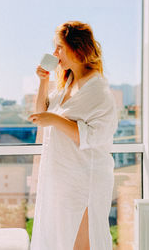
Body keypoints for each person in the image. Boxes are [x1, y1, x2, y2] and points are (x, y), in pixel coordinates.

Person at [28, 20, 118, 250]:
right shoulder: (67, 82)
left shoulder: (98, 89)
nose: (54, 53)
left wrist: (55, 120)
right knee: (61, 240)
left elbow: (94, 136)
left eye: (59, 47)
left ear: (76, 48)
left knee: (82, 243)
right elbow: (41, 114)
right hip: (63, 177)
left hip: (85, 179)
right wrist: (43, 81)